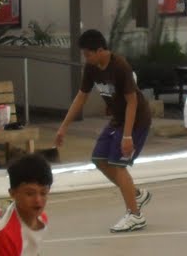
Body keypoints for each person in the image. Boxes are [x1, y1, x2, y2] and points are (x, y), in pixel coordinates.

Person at [53, 29, 153, 234]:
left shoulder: (120, 66)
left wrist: (127, 136)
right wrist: (64, 126)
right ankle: (136, 195)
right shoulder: (91, 67)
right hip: (117, 119)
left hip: (136, 120)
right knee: (99, 159)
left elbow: (132, 102)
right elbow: (81, 97)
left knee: (118, 164)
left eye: (88, 54)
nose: (86, 58)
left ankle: (135, 215)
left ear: (100, 50)